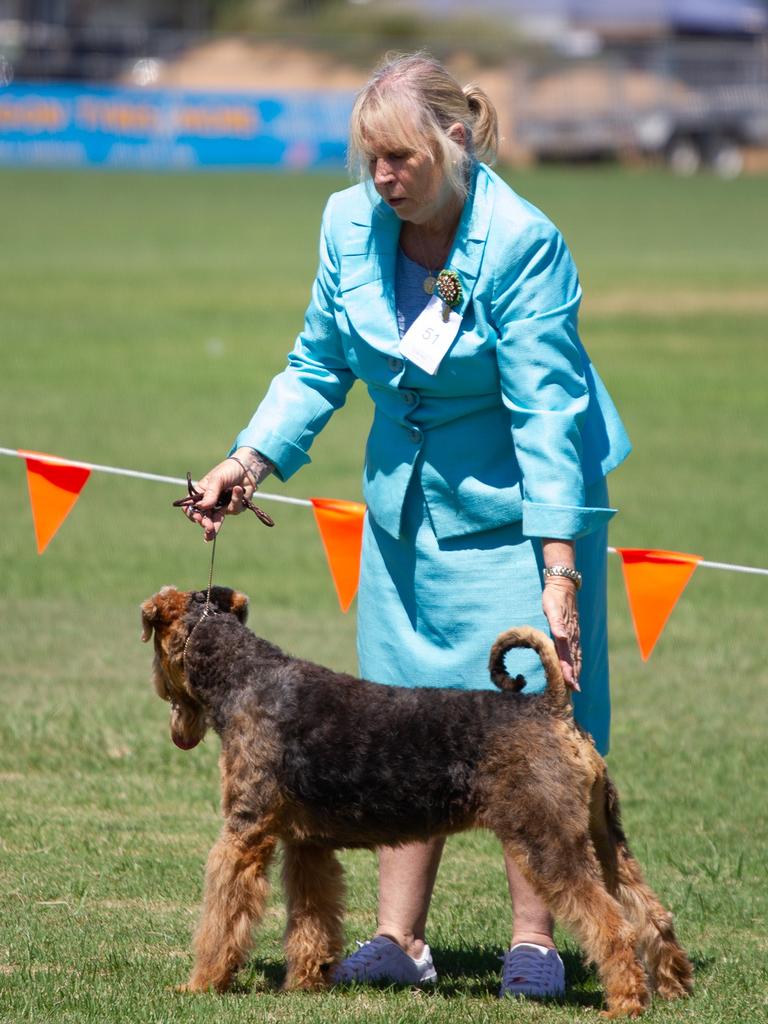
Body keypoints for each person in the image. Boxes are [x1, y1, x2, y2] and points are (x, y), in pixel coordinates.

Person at [182, 52, 631, 999]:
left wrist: (558, 577)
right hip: (404, 510)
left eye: (399, 159)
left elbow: (550, 415)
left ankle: (534, 944)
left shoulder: (521, 242)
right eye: (368, 160)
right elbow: (317, 361)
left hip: (520, 514)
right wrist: (247, 460)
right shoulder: (349, 224)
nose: (381, 179)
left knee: (522, 729)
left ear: (454, 142)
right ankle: (398, 939)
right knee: (394, 707)